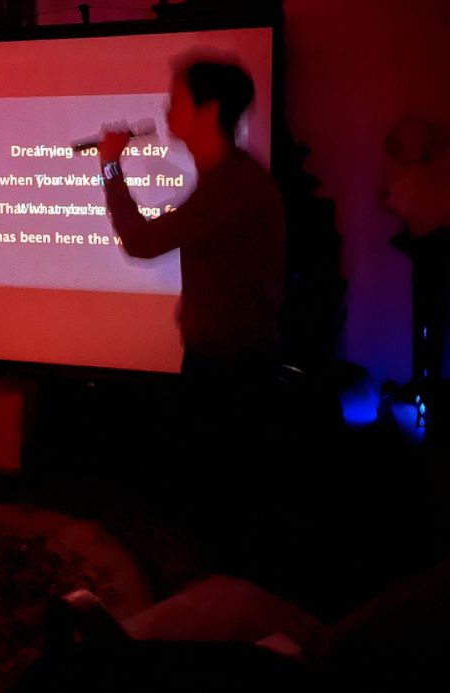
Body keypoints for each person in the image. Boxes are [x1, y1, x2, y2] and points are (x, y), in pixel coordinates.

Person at [96, 58, 286, 553]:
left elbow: (139, 240)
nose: (165, 107)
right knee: (220, 496)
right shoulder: (233, 179)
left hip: (231, 369)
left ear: (210, 110)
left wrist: (111, 165)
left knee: (220, 508)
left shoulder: (231, 187)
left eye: (177, 99)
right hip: (230, 359)